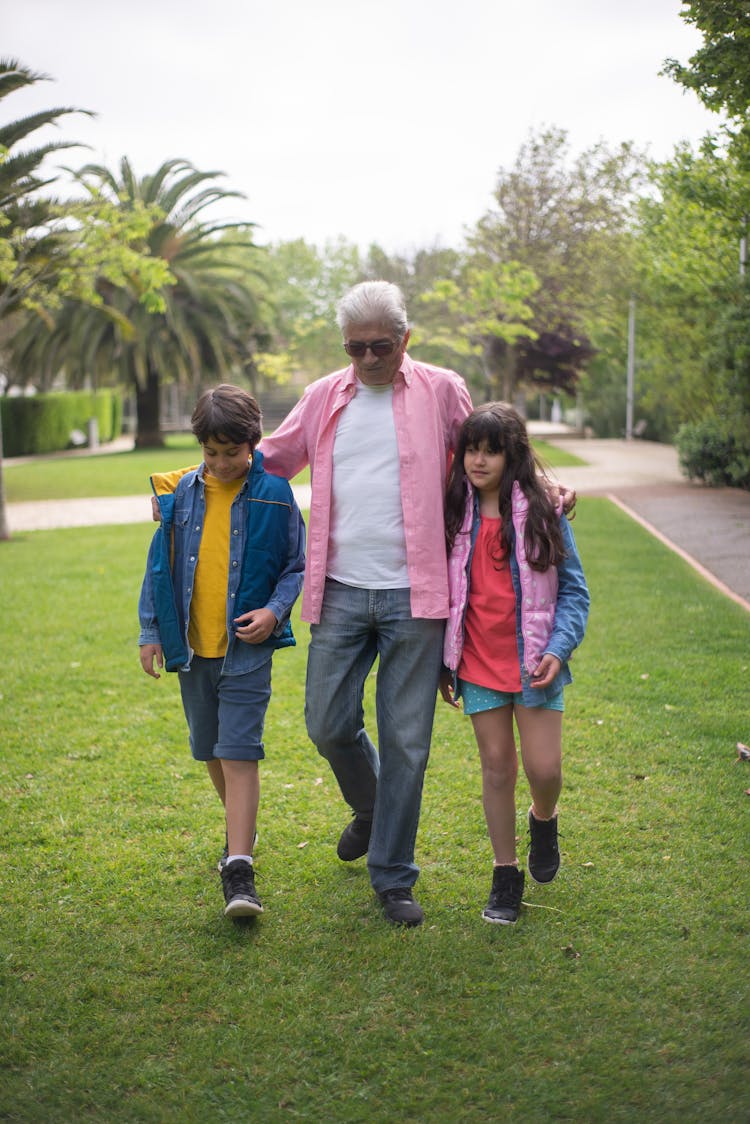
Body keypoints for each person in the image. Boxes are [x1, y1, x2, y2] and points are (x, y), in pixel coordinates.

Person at [138, 385, 305, 919]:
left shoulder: (274, 495)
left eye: (232, 452)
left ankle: (239, 867)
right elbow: (158, 566)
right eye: (211, 453)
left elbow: (296, 564)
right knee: (209, 748)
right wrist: (150, 631)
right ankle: (243, 828)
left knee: (238, 750)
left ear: (254, 443)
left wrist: (275, 611)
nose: (221, 463)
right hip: (192, 649)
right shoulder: (181, 494)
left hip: (246, 651)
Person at [440, 402, 589, 925]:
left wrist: (557, 649)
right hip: (478, 663)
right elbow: (446, 595)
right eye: (471, 450)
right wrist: (445, 661)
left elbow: (574, 593)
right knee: (497, 768)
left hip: (536, 664)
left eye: (491, 451)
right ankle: (506, 875)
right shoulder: (453, 511)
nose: (478, 461)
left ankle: (543, 818)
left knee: (543, 769)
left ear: (513, 456)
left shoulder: (543, 511)